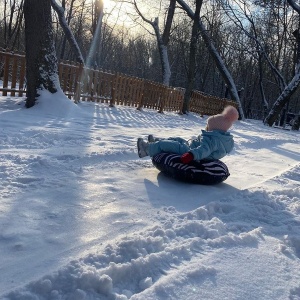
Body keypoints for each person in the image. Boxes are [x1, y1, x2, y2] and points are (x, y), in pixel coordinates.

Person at [137, 105, 239, 163]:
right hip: (190, 146)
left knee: (169, 145)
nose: (206, 128)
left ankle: (146, 150)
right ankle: (155, 142)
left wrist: (191, 155)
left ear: (214, 128)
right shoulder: (218, 138)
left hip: (189, 151)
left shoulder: (212, 140)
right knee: (177, 139)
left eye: (208, 126)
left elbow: (204, 150)